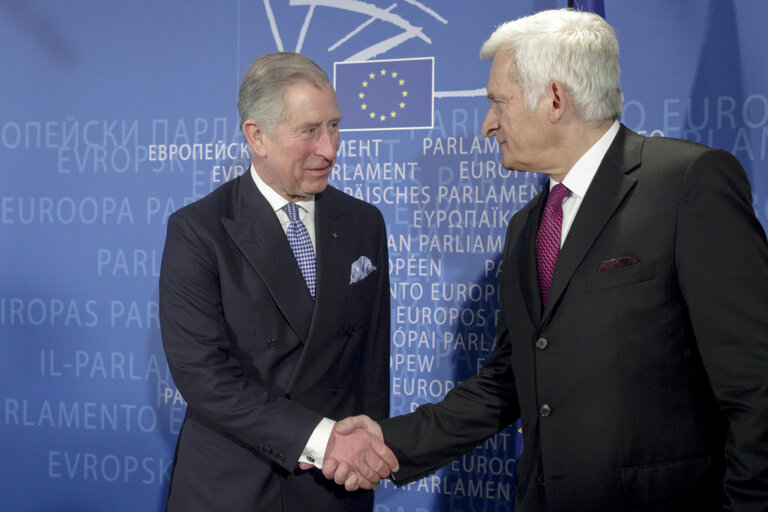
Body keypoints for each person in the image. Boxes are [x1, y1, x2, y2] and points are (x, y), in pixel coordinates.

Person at [326, 9, 768, 511]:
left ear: (555, 99)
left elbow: (756, 386)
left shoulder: (687, 184)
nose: (489, 124)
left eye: (498, 102)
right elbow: (507, 382)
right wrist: (389, 441)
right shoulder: (528, 226)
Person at [159, 52, 397, 512]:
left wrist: (365, 455)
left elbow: (371, 359)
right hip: (236, 488)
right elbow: (205, 378)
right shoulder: (199, 230)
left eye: (334, 126)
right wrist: (323, 440)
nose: (329, 149)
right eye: (309, 131)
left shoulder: (364, 222)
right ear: (257, 137)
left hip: (337, 487)